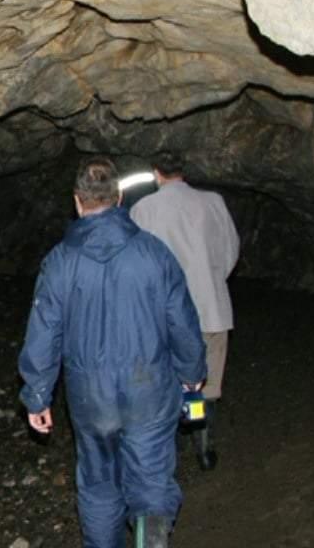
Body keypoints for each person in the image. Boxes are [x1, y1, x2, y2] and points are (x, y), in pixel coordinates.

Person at [18, 155, 207, 548]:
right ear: (119, 197)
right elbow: (182, 321)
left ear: (77, 201)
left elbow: (44, 331)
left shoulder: (59, 262)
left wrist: (37, 394)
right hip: (149, 388)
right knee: (151, 476)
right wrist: (192, 371)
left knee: (100, 482)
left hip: (91, 395)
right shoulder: (155, 253)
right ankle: (151, 538)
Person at [129, 151, 239, 471]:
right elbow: (230, 249)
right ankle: (202, 444)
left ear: (155, 173)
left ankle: (163, 453)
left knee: (163, 381)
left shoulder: (142, 209)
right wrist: (213, 278)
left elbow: (136, 263)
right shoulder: (213, 202)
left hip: (161, 315)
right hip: (211, 307)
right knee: (206, 384)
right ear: (183, 172)